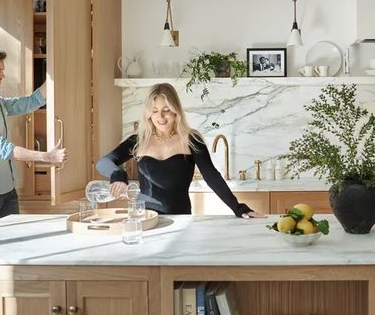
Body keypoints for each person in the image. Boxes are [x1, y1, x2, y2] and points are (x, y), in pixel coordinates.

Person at [96, 83, 265, 218]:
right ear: (148, 114)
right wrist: (118, 175)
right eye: (155, 111)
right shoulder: (139, 140)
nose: (160, 117)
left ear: (176, 111)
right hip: (143, 218)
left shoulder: (192, 139)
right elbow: (104, 162)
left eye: (166, 110)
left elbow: (211, 176)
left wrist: (238, 208)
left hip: (180, 219)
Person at [0, 47, 68, 230]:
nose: (3, 75)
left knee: (12, 244)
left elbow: (29, 102)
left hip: (7, 188)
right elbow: (3, 148)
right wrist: (46, 157)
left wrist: (53, 76)